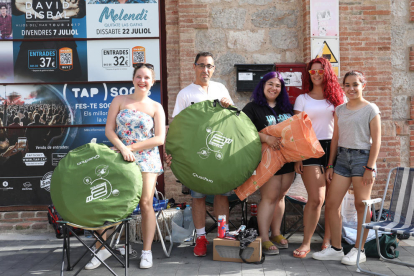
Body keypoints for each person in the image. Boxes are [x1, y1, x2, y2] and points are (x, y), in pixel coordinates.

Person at [85, 63, 165, 270]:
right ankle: (101, 248)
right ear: (133, 79)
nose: (142, 81)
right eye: (139, 77)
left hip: (147, 158)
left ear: (152, 82)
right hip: (120, 156)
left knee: (146, 202)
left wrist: (133, 147)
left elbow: (159, 138)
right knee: (107, 200)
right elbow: (109, 130)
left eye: (147, 77)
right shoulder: (119, 100)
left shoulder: (156, 107)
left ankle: (146, 252)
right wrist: (123, 148)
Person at [166, 51, 233, 257]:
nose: (205, 70)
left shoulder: (220, 88)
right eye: (202, 65)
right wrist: (172, 153)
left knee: (221, 194)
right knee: (198, 196)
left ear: (214, 69)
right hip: (195, 155)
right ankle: (201, 238)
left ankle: (222, 234)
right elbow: (177, 127)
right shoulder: (185, 93)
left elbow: (232, 119)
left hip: (218, 151)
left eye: (209, 66)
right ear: (194, 67)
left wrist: (229, 107)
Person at [312, 70, 381, 265]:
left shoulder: (371, 109)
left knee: (362, 205)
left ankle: (359, 250)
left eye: (355, 84)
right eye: (347, 85)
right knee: (332, 204)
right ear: (343, 87)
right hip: (342, 158)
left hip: (363, 159)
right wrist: (331, 164)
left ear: (363, 86)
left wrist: (370, 167)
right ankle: (336, 248)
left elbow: (376, 142)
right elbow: (335, 139)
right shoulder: (340, 110)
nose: (351, 89)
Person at [292, 57, 345, 258]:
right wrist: (298, 157)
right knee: (316, 199)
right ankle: (306, 243)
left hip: (333, 148)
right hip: (309, 149)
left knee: (333, 201)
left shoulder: (338, 98)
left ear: (327, 73)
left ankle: (328, 241)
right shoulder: (302, 99)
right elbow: (297, 130)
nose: (315, 74)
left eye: (319, 71)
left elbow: (339, 132)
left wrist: (332, 162)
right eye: (312, 71)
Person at [242, 71, 295, 255]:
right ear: (263, 86)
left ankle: (276, 233)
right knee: (269, 197)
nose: (274, 88)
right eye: (270, 84)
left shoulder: (287, 108)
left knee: (280, 197)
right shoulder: (252, 107)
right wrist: (265, 137)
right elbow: (241, 131)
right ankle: (263, 238)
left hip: (286, 160)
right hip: (266, 161)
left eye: (278, 85)